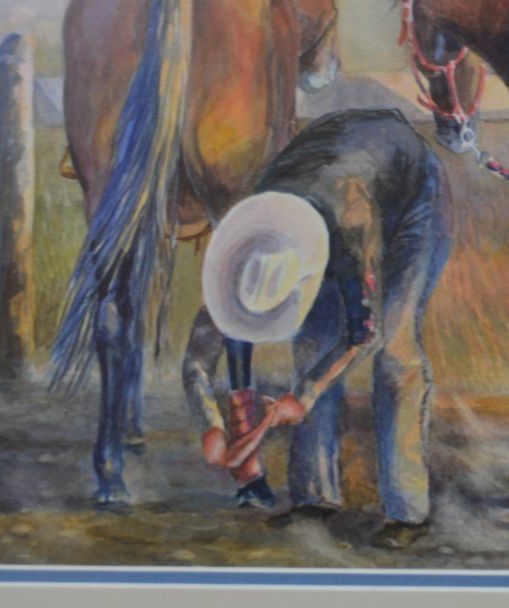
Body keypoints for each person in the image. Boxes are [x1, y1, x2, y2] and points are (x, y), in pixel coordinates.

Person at [182, 108, 452, 549]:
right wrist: (209, 425)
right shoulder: (245, 250)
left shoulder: (353, 221)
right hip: (328, 192)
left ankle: (407, 510)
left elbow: (364, 333)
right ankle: (314, 498)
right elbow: (197, 359)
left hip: (409, 200)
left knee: (395, 351)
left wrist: (303, 397)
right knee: (312, 346)